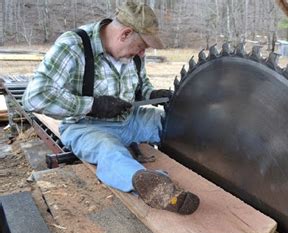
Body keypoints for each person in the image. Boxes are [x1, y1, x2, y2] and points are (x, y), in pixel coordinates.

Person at [22, 2, 200, 215]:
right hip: (87, 127)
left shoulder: (132, 55)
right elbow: (34, 97)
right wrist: (92, 106)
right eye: (141, 46)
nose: (142, 54)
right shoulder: (73, 46)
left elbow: (141, 86)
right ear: (125, 34)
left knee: (173, 124)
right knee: (109, 151)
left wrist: (150, 95)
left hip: (131, 120)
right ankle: (154, 188)